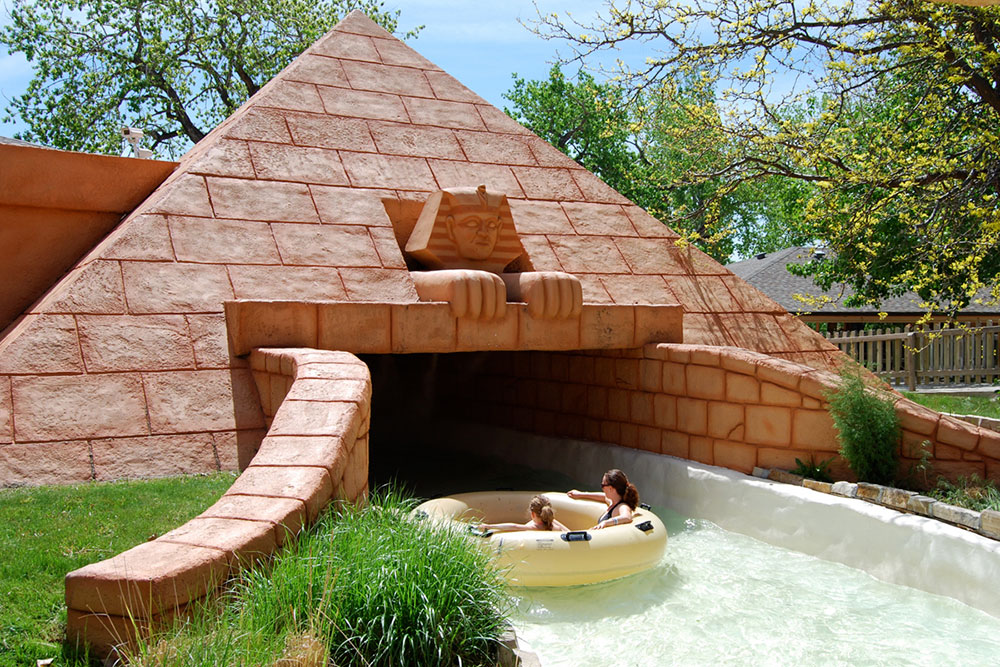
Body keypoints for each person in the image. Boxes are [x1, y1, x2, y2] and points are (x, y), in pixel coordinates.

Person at [567, 469, 639, 530]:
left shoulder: (622, 506)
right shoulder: (613, 502)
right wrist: (581, 494)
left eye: (603, 485)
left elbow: (627, 517)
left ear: (611, 488)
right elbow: (603, 497)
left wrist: (606, 522)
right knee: (555, 523)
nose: (602, 488)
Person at [479, 494, 568, 533]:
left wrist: (490, 526)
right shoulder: (556, 528)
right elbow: (569, 532)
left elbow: (514, 526)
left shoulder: (534, 528)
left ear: (532, 514)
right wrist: (552, 520)